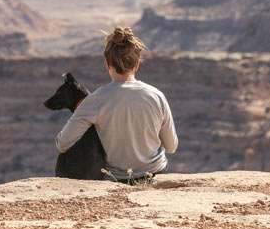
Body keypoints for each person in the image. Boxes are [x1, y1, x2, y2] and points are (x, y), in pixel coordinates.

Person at [55, 27, 178, 183]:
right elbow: (172, 146)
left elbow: (62, 143)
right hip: (156, 174)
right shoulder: (157, 96)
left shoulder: (95, 100)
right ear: (137, 64)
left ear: (107, 63)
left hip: (118, 179)